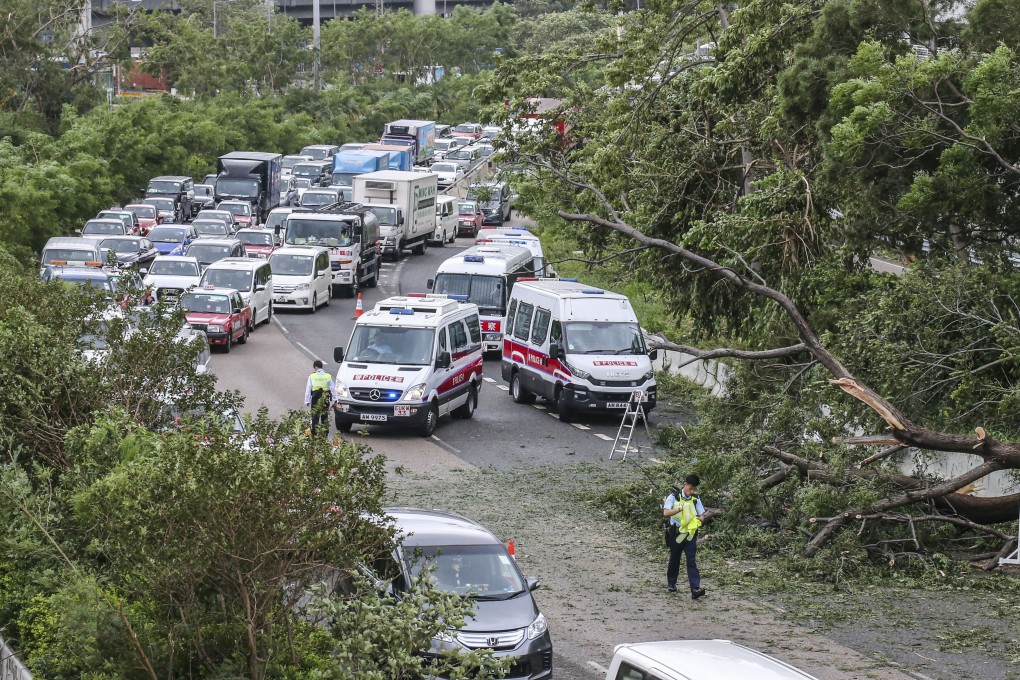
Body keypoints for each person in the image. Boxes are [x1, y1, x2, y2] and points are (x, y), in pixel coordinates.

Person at [663, 474, 706, 599]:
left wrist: (698, 521)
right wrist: (680, 509)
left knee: (691, 560)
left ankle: (695, 589)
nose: (692, 491)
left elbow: (702, 515)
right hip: (675, 533)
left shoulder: (695, 499)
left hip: (690, 534)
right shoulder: (674, 497)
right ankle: (672, 583)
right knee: (675, 558)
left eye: (694, 489)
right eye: (690, 488)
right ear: (685, 484)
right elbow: (665, 513)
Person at [304, 359, 337, 437]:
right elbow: (332, 388)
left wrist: (307, 401)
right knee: (324, 416)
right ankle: (325, 434)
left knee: (315, 416)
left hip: (315, 398)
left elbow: (308, 389)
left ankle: (314, 433)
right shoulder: (328, 376)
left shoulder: (312, 376)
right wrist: (335, 400)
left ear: (315, 367)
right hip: (325, 398)